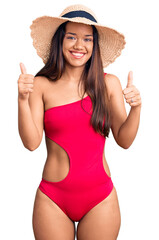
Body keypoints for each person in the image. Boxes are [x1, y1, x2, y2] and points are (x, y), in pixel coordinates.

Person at [17, 4, 142, 240]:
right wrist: (22, 99)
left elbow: (124, 141)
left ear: (94, 46)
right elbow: (31, 143)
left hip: (100, 198)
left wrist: (136, 108)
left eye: (87, 39)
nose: (79, 46)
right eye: (71, 37)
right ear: (59, 41)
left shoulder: (109, 84)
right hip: (52, 199)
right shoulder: (41, 85)